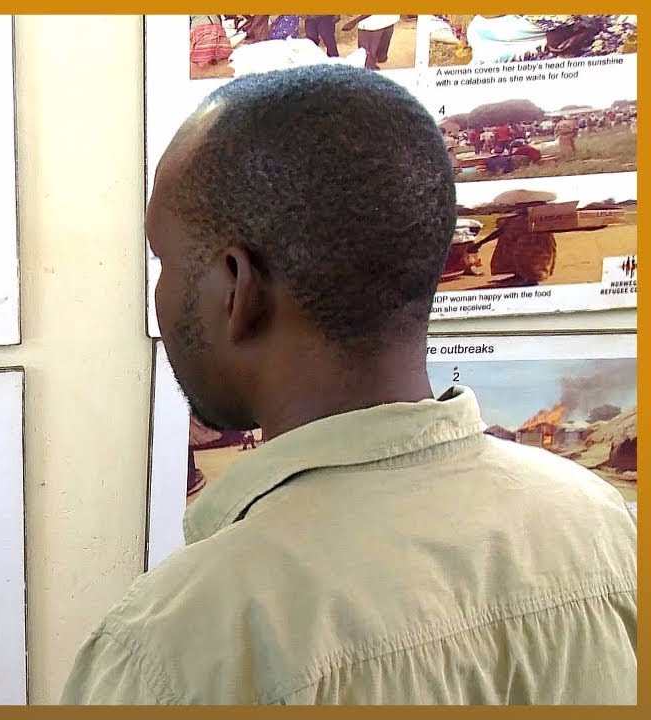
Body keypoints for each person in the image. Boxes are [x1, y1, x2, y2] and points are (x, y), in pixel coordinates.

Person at [61, 65, 636, 705]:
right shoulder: (601, 526)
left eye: (165, 262)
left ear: (236, 287)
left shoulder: (176, 651)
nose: (161, 294)